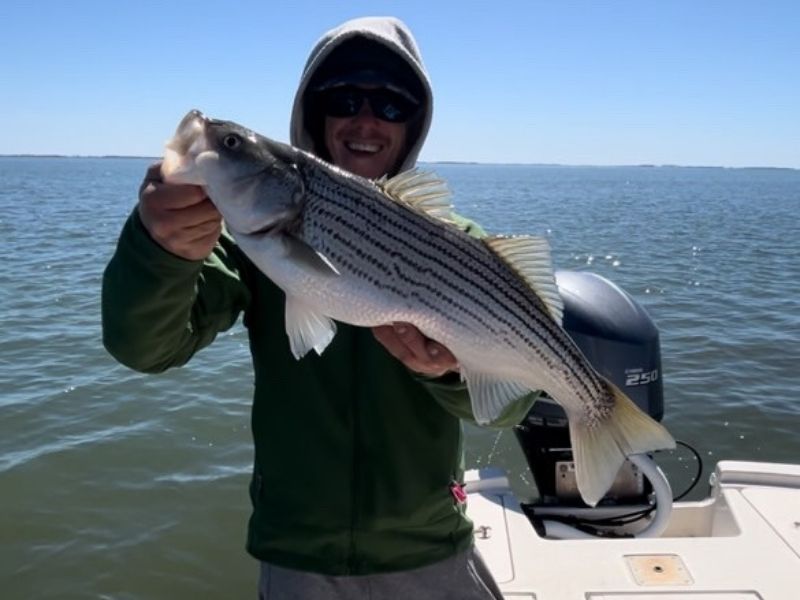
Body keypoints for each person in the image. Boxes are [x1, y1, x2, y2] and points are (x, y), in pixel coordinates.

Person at [102, 16, 535, 599]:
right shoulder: (236, 244)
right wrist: (159, 251)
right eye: (344, 98)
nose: (365, 119)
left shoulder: (458, 243)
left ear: (414, 125)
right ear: (313, 114)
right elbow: (145, 349)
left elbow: (511, 405)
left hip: (431, 544)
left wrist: (452, 370)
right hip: (298, 553)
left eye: (391, 104)